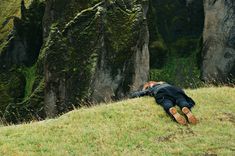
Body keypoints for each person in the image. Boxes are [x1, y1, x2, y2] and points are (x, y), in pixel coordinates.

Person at [130, 81, 198, 125]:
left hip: (161, 92)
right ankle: (184, 106)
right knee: (180, 99)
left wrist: (133, 95)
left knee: (166, 101)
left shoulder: (151, 88)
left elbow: (140, 93)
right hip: (174, 89)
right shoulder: (165, 83)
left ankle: (170, 108)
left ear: (149, 85)